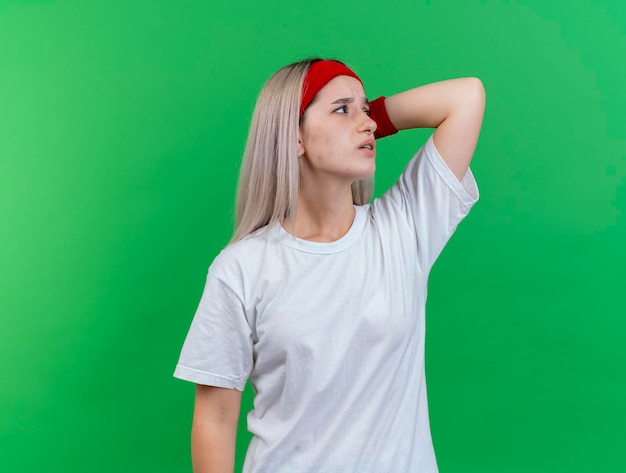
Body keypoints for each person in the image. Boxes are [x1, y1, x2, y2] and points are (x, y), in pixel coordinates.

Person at [174, 58, 485, 473]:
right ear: (294, 137)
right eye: (342, 110)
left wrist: (369, 118)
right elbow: (215, 419)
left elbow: (466, 97)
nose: (368, 124)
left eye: (368, 112)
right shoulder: (242, 269)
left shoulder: (403, 230)